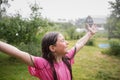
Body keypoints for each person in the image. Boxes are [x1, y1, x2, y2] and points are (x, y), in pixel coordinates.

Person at [0, 24, 97, 80]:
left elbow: (79, 44)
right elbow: (17, 53)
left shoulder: (67, 58)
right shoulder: (43, 64)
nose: (67, 43)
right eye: (63, 40)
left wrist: (89, 34)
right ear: (53, 48)